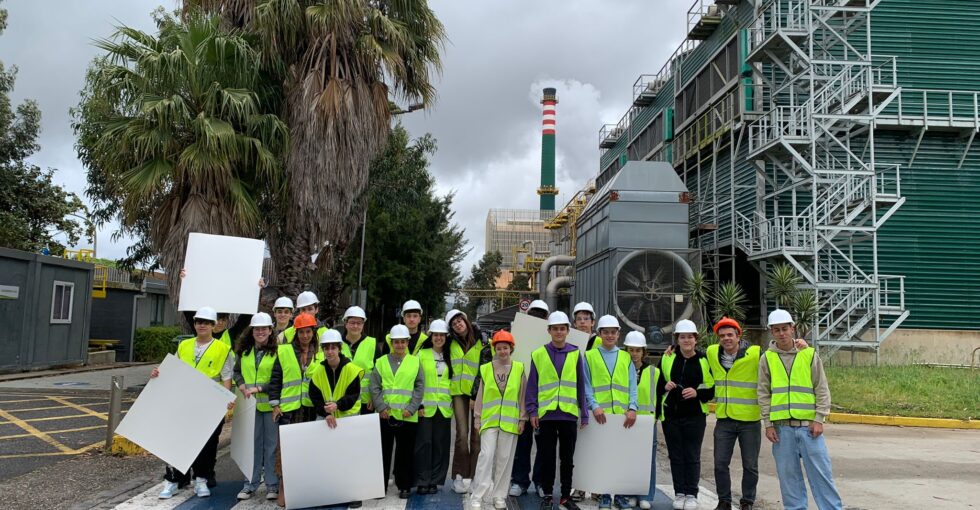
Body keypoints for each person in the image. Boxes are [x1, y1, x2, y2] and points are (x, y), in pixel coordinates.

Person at [758, 309, 843, 510]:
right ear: (772, 332)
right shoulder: (767, 358)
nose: (781, 333)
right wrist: (768, 424)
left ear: (792, 329)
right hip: (781, 430)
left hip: (809, 429)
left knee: (822, 476)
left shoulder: (808, 354)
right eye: (777, 330)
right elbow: (763, 393)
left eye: (785, 329)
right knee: (789, 480)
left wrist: (819, 419)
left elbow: (821, 388)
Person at [152, 306, 236, 500]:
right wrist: (158, 373)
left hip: (209, 403)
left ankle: (201, 479)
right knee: (178, 439)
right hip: (184, 401)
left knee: (207, 444)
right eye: (198, 322)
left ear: (213, 325)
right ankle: (173, 480)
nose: (201, 325)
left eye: (206, 322)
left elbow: (227, 377)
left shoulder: (223, 349)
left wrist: (226, 399)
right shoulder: (184, 345)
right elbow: (174, 369)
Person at [526, 311, 590, 510]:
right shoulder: (538, 354)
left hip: (568, 414)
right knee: (547, 457)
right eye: (555, 329)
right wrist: (532, 411)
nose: (559, 332)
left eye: (562, 329)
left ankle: (564, 496)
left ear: (568, 331)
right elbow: (532, 385)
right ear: (549, 331)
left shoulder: (575, 353)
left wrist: (584, 413)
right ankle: (547, 495)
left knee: (567, 459)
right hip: (546, 415)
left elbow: (581, 385)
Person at [267, 312, 323, 507]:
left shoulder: (321, 353)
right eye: (301, 332)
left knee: (308, 450)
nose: (305, 336)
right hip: (289, 411)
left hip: (310, 409)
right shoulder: (284, 351)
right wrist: (275, 404)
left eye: (308, 332)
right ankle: (284, 487)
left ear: (313, 332)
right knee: (286, 451)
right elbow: (275, 379)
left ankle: (305, 488)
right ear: (296, 333)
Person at [658, 319, 714, 510]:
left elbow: (713, 388)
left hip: (695, 416)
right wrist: (664, 386)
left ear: (696, 339)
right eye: (683, 337)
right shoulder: (667, 358)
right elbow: (657, 384)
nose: (687, 340)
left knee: (692, 455)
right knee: (676, 456)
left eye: (690, 337)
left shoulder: (704, 360)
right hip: (671, 416)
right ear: (677, 340)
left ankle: (691, 494)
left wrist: (698, 393)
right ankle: (679, 493)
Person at [583, 315, 638, 510]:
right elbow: (586, 385)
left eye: (613, 332)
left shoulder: (625, 357)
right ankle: (605, 495)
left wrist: (632, 407)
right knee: (603, 457)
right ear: (599, 334)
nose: (609, 335)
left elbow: (632, 385)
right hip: (600, 415)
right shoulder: (589, 356)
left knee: (620, 457)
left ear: (618, 334)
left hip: (622, 416)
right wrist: (594, 405)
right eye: (605, 332)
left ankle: (620, 495)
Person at [707, 317, 761, 510]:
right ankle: (724, 501)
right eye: (722, 336)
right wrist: (673, 348)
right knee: (720, 464)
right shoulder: (712, 352)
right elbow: (692, 353)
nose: (726, 338)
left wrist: (798, 343)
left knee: (750, 465)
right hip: (724, 420)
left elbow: (777, 353)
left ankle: (747, 502)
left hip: (750, 420)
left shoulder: (755, 353)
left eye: (730, 335)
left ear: (739, 336)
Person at [469, 330, 527, 510]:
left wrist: (522, 419)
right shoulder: (486, 369)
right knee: (485, 456)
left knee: (504, 459)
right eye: (499, 348)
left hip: (510, 422)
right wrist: (477, 418)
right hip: (489, 420)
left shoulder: (519, 368)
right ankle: (477, 496)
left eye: (505, 348)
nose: (502, 351)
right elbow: (480, 396)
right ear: (494, 349)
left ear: (511, 348)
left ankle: (499, 496)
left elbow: (522, 396)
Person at [309, 329, 365, 507]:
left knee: (350, 457)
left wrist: (338, 405)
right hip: (328, 419)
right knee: (327, 458)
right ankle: (330, 493)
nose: (330, 351)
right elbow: (314, 396)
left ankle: (354, 494)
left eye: (333, 348)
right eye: (326, 348)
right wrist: (325, 412)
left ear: (340, 349)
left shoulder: (351, 369)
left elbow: (353, 395)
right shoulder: (318, 371)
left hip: (348, 418)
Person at [371, 324, 424, 499]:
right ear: (391, 343)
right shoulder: (381, 362)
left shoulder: (415, 362)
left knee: (405, 452)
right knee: (383, 451)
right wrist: (381, 407)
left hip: (407, 416)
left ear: (407, 342)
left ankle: (404, 485)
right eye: (396, 342)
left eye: (403, 342)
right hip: (386, 415)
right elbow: (375, 386)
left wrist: (412, 408)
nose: (400, 345)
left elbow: (419, 386)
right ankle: (380, 486)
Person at [233, 312, 281, 501]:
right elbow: (237, 372)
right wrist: (241, 385)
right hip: (250, 407)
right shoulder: (244, 352)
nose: (260, 332)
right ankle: (250, 484)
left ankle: (272, 485)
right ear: (252, 331)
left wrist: (260, 388)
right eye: (257, 329)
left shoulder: (278, 352)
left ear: (270, 330)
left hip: (270, 406)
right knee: (251, 446)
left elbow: (279, 379)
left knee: (271, 446)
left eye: (264, 329)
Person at [446, 308, 493, 494]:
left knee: (477, 435)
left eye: (459, 320)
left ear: (466, 320)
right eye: (454, 323)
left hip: (478, 393)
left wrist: (475, 396)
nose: (458, 324)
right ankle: (460, 475)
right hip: (458, 393)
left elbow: (485, 368)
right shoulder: (450, 342)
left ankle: (475, 477)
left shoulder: (482, 340)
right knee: (462, 434)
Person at [510, 300, 549, 498]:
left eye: (541, 315)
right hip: (522, 398)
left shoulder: (552, 340)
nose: (537, 318)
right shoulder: (519, 335)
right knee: (522, 442)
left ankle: (541, 481)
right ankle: (519, 480)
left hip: (544, 400)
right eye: (534, 314)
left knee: (544, 444)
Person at [414, 319, 454, 495]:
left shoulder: (450, 355)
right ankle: (423, 480)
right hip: (425, 407)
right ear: (431, 337)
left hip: (444, 408)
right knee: (424, 444)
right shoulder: (421, 355)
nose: (439, 338)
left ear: (446, 337)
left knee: (440, 445)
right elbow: (415, 381)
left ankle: (435, 481)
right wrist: (418, 404)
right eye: (435, 335)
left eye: (442, 335)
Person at [625, 330, 660, 510]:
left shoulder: (654, 371)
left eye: (638, 350)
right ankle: (630, 493)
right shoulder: (621, 370)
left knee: (648, 460)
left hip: (647, 422)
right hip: (626, 420)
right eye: (631, 350)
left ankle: (645, 495)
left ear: (644, 352)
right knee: (629, 458)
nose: (634, 354)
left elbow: (660, 397)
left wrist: (656, 418)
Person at [338, 305, 383, 413]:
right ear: (345, 323)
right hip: (341, 399)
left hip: (365, 401)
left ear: (363, 325)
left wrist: (375, 397)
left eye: (359, 323)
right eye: (352, 322)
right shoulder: (337, 344)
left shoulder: (372, 344)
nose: (355, 326)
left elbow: (379, 373)